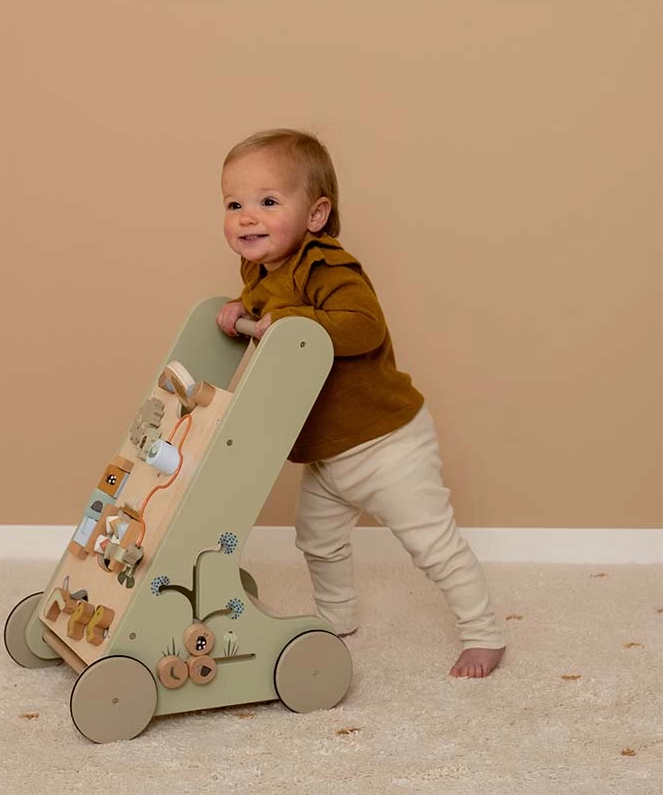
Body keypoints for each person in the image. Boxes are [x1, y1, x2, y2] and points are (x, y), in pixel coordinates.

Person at [216, 129, 505, 677]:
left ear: (316, 214)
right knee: (317, 539)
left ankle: (483, 632)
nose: (247, 217)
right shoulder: (259, 269)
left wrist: (293, 320)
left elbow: (363, 326)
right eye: (234, 205)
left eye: (268, 202)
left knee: (431, 544)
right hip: (329, 448)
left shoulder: (326, 266)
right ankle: (336, 619)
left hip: (384, 442)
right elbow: (268, 306)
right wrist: (240, 308)